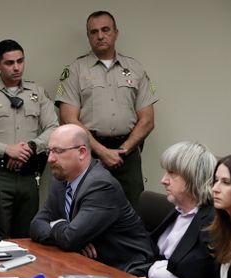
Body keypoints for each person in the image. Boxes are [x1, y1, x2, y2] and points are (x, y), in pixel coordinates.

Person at [55, 11, 158, 207]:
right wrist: (102, 152)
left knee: (133, 212)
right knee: (88, 210)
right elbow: (69, 120)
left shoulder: (136, 68)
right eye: (93, 32)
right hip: (88, 154)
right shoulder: (74, 70)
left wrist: (121, 151)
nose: (100, 36)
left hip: (127, 154)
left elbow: (148, 120)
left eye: (105, 30)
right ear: (88, 36)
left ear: (116, 33)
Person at [30, 124, 154, 276]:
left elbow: (70, 238)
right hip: (86, 263)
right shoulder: (61, 180)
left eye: (58, 151)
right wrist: (73, 237)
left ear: (82, 152)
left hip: (124, 269)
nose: (50, 158)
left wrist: (61, 227)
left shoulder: (101, 185)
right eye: (49, 151)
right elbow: (36, 225)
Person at [0, 39, 58, 238]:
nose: (16, 67)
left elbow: (53, 128)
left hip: (29, 175)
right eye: (9, 63)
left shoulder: (38, 93)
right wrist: (7, 149)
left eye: (20, 61)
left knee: (28, 235)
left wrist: (32, 146)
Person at [147, 141, 216, 278]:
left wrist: (154, 271)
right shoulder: (177, 211)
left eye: (172, 173)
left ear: (194, 177)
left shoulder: (212, 221)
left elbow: (198, 274)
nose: (163, 180)